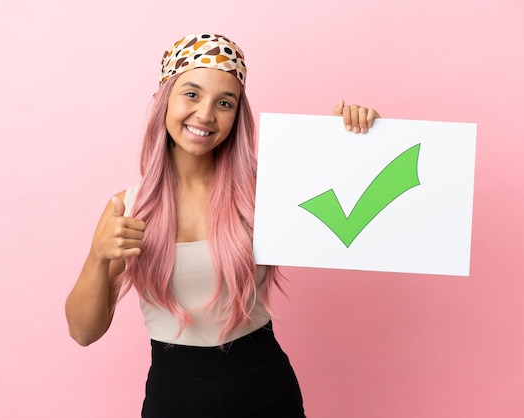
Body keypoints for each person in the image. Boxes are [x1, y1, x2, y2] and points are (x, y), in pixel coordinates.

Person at [65, 32, 380, 418]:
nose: (205, 115)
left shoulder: (265, 194)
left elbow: (352, 207)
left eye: (224, 103)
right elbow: (83, 332)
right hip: (173, 398)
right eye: (192, 94)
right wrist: (98, 257)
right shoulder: (128, 208)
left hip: (266, 392)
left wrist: (358, 139)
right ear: (165, 100)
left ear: (236, 117)